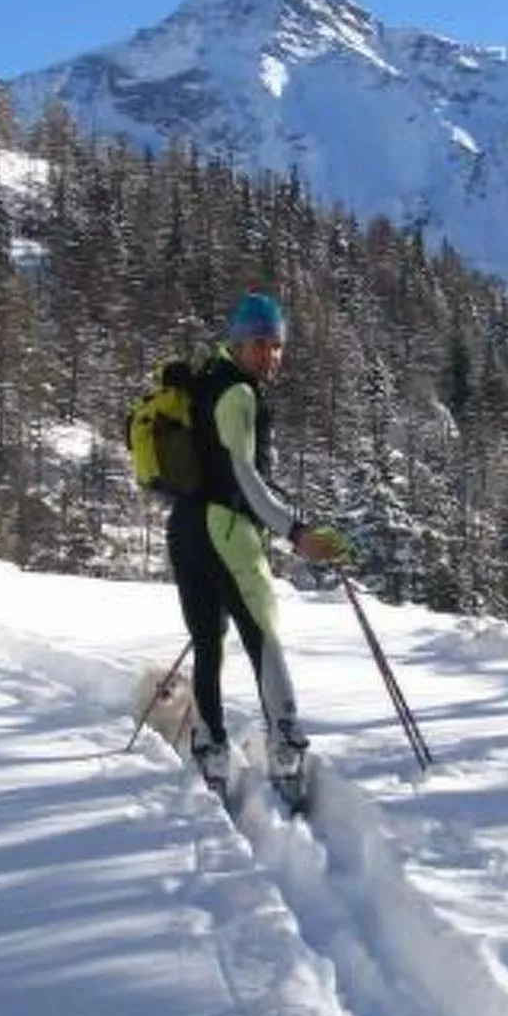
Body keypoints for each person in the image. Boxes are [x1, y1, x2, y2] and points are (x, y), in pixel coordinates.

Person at [166, 291, 349, 799]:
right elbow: (245, 478)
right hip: (226, 531)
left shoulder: (207, 379)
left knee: (208, 639)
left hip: (185, 526)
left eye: (277, 345)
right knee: (262, 634)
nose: (271, 355)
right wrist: (297, 532)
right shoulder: (239, 395)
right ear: (239, 344)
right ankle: (286, 748)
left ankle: (210, 750)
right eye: (261, 344)